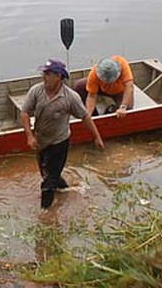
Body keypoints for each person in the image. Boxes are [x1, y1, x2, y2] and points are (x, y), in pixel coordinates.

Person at [20, 59, 104, 209]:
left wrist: (96, 137)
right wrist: (29, 136)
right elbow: (25, 112)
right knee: (49, 175)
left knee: (48, 182)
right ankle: (67, 190)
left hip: (59, 143)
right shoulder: (36, 91)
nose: (43, 77)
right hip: (41, 141)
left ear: (59, 77)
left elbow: (85, 117)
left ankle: (46, 216)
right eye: (43, 73)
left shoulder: (70, 97)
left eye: (48, 74)